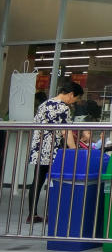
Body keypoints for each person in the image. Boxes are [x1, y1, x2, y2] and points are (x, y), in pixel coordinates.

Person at [27, 81, 83, 223]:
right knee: (55, 182)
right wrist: (74, 150)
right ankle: (50, 214)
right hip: (53, 150)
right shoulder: (63, 108)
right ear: (71, 94)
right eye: (75, 99)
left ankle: (31, 214)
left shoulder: (44, 104)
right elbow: (66, 131)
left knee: (37, 181)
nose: (74, 102)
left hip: (39, 148)